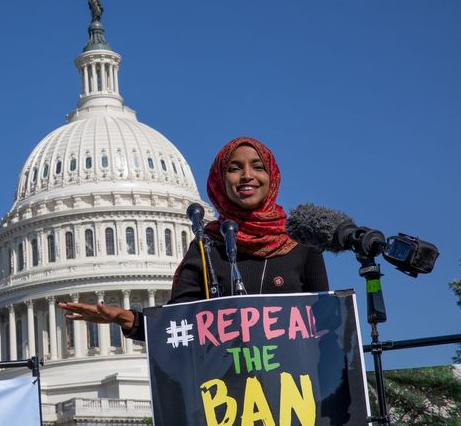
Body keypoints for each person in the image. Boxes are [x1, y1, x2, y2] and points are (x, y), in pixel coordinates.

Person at [58, 137, 329, 341]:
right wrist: (126, 318)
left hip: (298, 394)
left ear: (272, 176)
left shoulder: (301, 243)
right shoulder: (207, 248)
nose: (247, 175)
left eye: (257, 167)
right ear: (220, 181)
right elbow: (178, 324)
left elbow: (327, 325)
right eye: (235, 168)